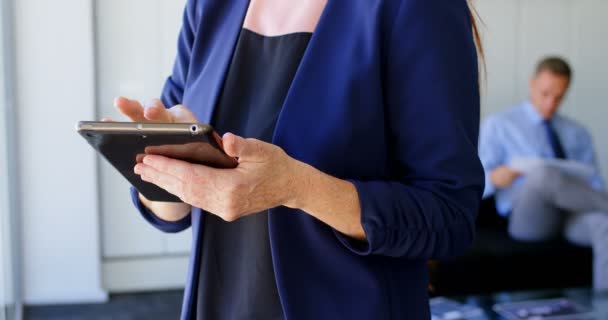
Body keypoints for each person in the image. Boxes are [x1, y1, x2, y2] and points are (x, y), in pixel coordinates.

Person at [109, 0, 484, 318]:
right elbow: (171, 214)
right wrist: (164, 163)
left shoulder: (418, 8)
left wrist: (297, 188)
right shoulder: (210, 6)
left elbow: (448, 215)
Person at [479, 56, 608, 292]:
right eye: (545, 93)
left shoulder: (577, 132)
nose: (550, 103)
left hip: (572, 215)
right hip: (528, 216)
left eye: (559, 97)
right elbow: (475, 184)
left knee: (603, 225)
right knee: (543, 174)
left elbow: (594, 182)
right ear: (532, 84)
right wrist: (496, 178)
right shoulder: (500, 124)